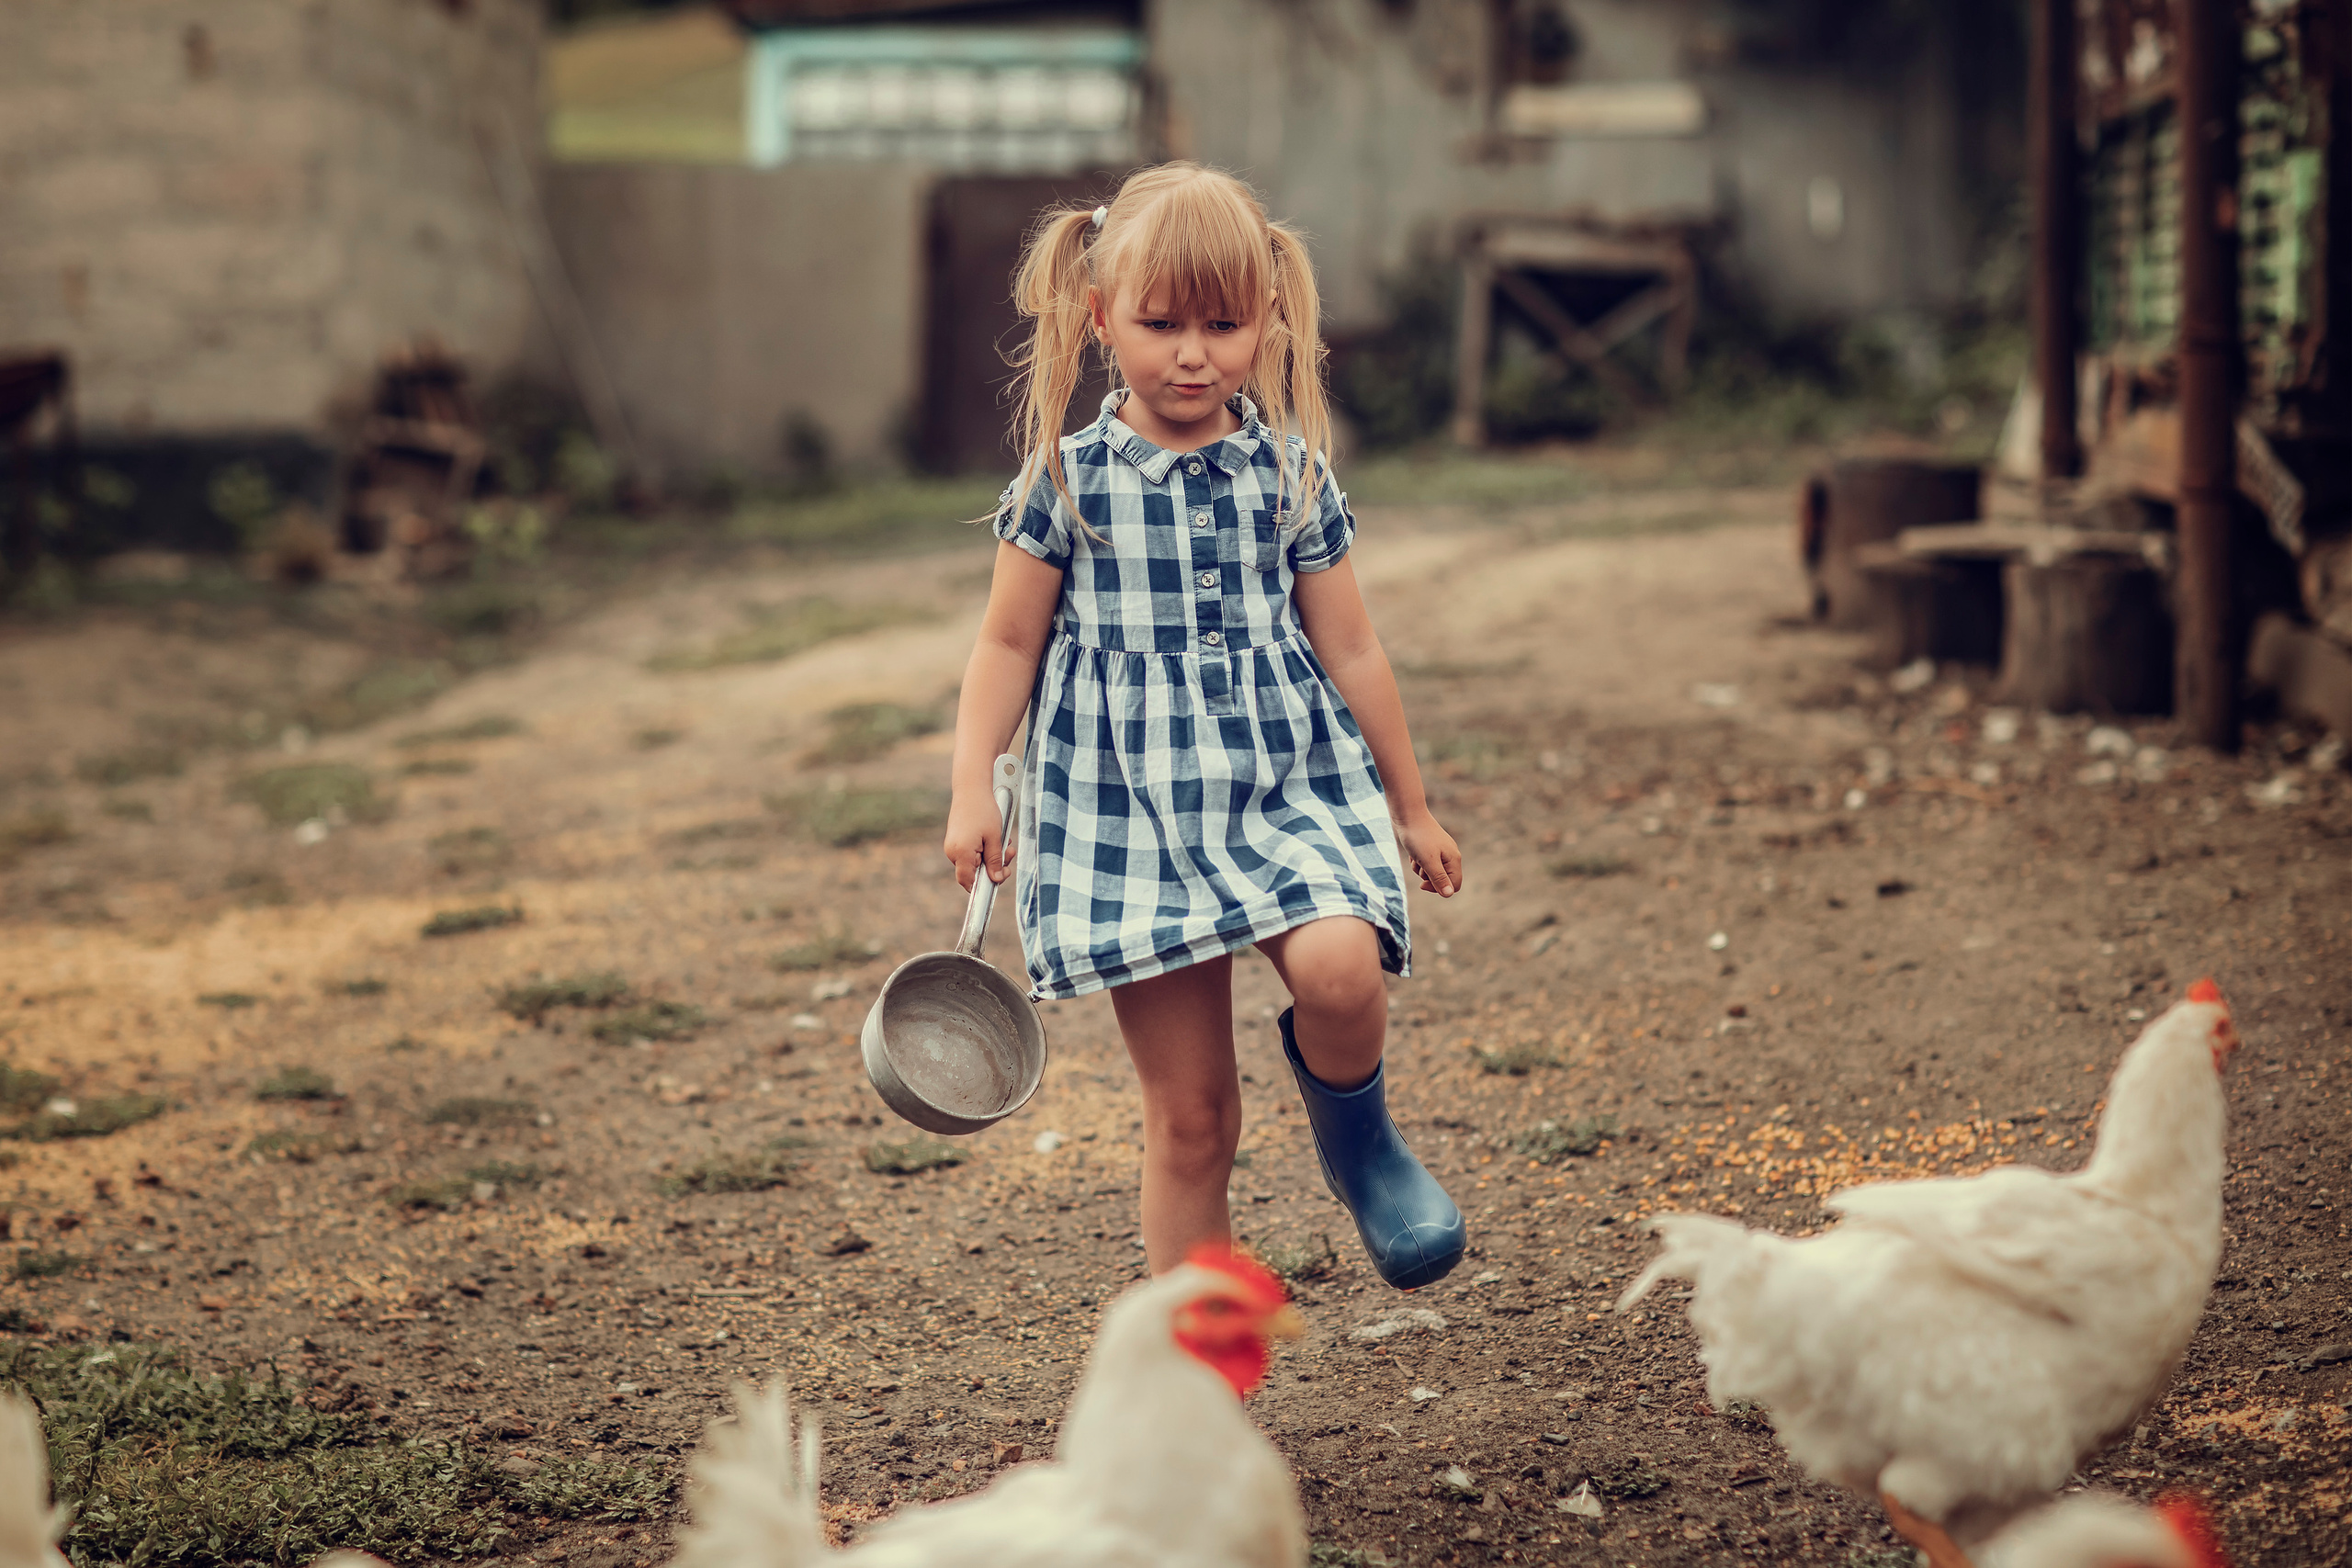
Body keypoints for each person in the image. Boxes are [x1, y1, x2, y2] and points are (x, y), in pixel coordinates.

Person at [942, 163, 1465, 1290]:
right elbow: (1004, 647)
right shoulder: (1065, 485)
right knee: (1192, 1120)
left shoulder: (1289, 479)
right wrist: (972, 784)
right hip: (1126, 814)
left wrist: (1407, 804)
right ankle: (1196, 1376)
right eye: (1161, 323)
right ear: (1100, 318)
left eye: (1224, 325)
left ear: (1268, 321)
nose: (1193, 354)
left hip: (1282, 787)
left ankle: (1359, 1141)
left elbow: (1354, 649)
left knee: (1340, 972)